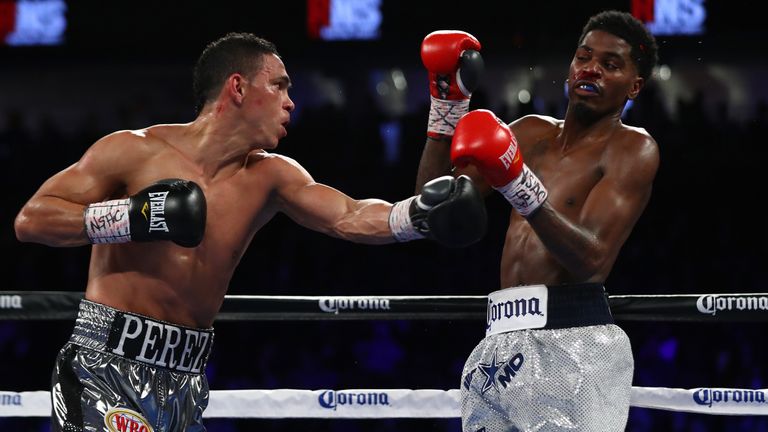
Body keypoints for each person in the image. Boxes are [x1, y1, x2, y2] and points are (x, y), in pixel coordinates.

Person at [14, 32, 487, 431]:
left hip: (184, 377)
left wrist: (418, 216)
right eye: (279, 86)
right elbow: (32, 220)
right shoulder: (133, 151)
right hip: (105, 362)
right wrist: (133, 217)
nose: (291, 102)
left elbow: (348, 214)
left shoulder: (271, 175)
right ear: (238, 88)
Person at [416, 10, 659, 432]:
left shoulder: (632, 148)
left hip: (575, 341)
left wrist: (518, 185)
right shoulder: (527, 133)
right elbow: (436, 208)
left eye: (610, 64)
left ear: (634, 86)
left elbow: (592, 261)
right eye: (584, 57)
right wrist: (446, 110)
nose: (592, 69)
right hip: (499, 338)